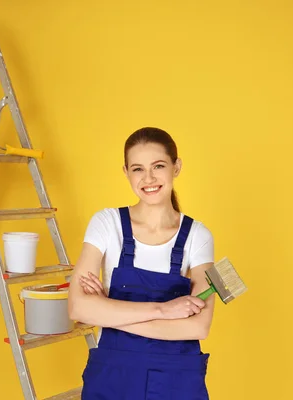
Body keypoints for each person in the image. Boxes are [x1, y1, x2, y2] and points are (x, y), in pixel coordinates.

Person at [68, 127, 216, 400]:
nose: (148, 178)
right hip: (113, 377)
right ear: (125, 171)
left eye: (158, 166)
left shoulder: (199, 236)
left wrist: (108, 314)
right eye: (138, 169)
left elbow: (198, 327)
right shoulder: (106, 223)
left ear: (176, 166)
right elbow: (78, 307)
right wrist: (164, 310)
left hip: (177, 380)